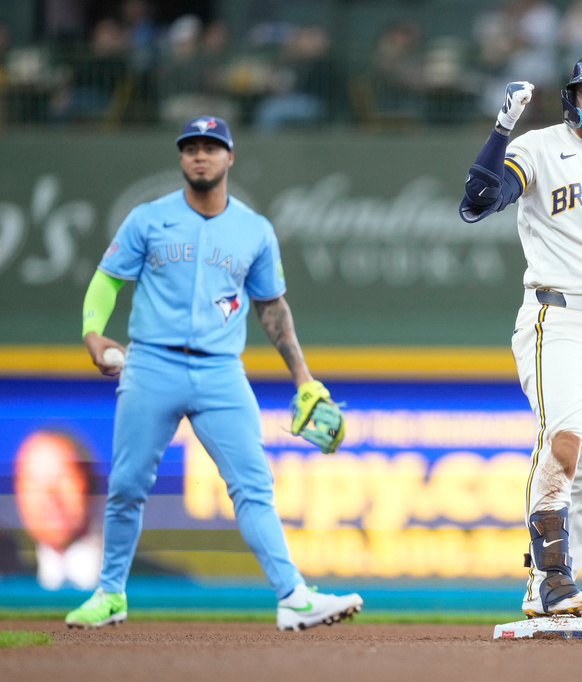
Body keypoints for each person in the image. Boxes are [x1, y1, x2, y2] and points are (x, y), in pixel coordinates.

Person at [67, 115, 360, 630]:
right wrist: (93, 332)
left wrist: (304, 379)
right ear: (181, 159)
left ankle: (292, 596)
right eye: (190, 148)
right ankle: (110, 594)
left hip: (222, 372)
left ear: (230, 157)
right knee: (128, 486)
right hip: (151, 363)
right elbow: (105, 282)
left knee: (253, 486)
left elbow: (273, 311)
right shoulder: (147, 218)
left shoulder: (254, 229)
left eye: (211, 147)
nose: (200, 155)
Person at [458, 51, 582, 618]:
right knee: (563, 438)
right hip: (555, 316)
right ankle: (552, 580)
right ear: (573, 97)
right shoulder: (538, 147)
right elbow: (477, 203)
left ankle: (549, 590)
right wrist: (501, 131)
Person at [14, 430, 102, 590]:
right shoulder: (9, 581)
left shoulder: (153, 580)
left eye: (63, 478)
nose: (50, 496)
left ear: (90, 485)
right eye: (34, 482)